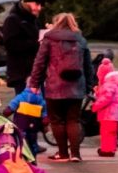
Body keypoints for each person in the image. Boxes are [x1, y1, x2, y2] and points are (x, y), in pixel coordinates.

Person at [28, 13, 91, 162]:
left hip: (55, 86)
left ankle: (62, 153)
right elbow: (88, 66)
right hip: (77, 88)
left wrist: (34, 83)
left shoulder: (50, 39)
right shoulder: (81, 40)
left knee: (57, 120)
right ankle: (75, 154)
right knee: (73, 120)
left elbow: (40, 62)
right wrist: (89, 85)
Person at [0, 0, 46, 94]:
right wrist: (36, 43)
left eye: (41, 6)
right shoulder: (13, 20)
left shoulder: (34, 21)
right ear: (28, 1)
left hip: (36, 73)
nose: (39, 8)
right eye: (37, 4)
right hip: (21, 74)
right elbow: (10, 45)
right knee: (26, 103)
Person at [91, 61, 118, 158]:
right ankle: (111, 149)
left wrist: (95, 106)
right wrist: (98, 91)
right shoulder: (117, 85)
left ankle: (106, 150)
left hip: (108, 115)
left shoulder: (108, 85)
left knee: (106, 133)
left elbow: (106, 99)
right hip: (117, 116)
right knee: (112, 134)